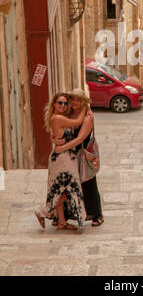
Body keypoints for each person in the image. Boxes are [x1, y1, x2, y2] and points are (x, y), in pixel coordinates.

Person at [34, 92, 90, 230]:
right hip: (62, 158)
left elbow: (56, 134)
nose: (63, 105)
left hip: (64, 156)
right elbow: (77, 122)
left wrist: (54, 139)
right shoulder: (57, 118)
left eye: (65, 103)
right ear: (54, 104)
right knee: (67, 188)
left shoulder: (61, 117)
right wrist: (85, 105)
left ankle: (61, 222)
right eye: (60, 103)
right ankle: (44, 212)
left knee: (60, 189)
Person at [53, 89, 104, 227]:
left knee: (89, 183)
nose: (75, 102)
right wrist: (54, 139)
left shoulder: (87, 117)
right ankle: (63, 215)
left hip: (82, 154)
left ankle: (97, 214)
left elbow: (80, 138)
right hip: (68, 155)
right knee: (67, 184)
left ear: (83, 102)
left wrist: (62, 148)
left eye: (79, 100)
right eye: (73, 99)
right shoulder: (68, 113)